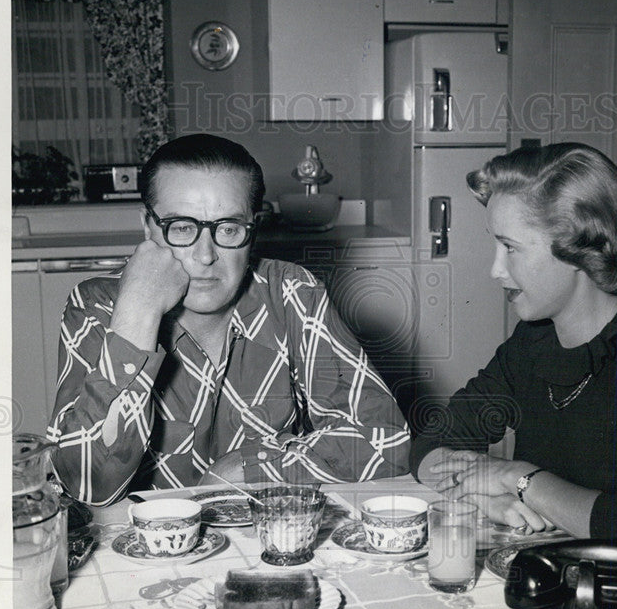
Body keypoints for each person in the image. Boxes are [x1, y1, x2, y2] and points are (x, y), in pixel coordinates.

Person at [49, 134, 410, 505]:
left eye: (229, 228)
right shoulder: (96, 306)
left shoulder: (292, 293)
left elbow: (386, 442)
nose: (206, 256)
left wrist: (244, 468)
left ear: (253, 230)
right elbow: (86, 486)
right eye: (182, 227)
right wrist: (138, 314)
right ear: (147, 226)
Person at [410, 143, 617, 555]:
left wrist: (516, 478)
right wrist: (482, 497)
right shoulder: (532, 343)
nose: (495, 269)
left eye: (510, 248)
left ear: (578, 248)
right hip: (569, 565)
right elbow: (430, 442)